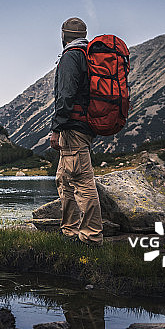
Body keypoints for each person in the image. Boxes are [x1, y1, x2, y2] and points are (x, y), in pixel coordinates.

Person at [49, 17, 103, 245]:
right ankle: (69, 231)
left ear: (63, 35)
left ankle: (91, 237)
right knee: (64, 179)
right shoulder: (88, 56)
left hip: (74, 128)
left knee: (81, 180)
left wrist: (56, 128)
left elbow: (66, 97)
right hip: (83, 126)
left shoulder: (72, 56)